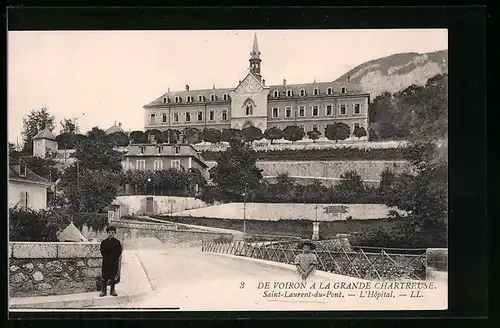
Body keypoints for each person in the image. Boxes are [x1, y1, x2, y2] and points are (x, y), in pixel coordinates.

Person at [99, 226, 123, 297]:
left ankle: (112, 290)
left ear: (114, 233)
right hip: (106, 261)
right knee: (105, 276)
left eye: (112, 232)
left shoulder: (117, 242)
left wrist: (113, 258)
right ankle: (103, 291)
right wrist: (106, 257)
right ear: (107, 233)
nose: (111, 234)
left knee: (113, 276)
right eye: (109, 232)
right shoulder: (104, 242)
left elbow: (119, 251)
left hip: (114, 262)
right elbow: (102, 250)